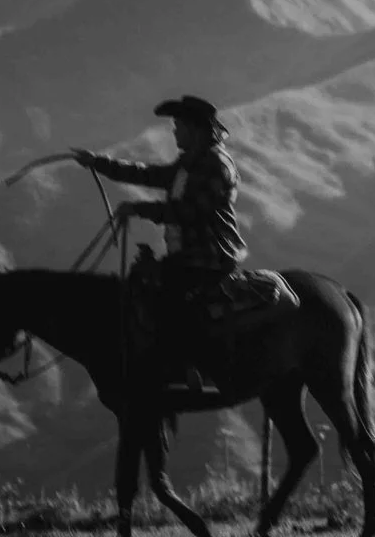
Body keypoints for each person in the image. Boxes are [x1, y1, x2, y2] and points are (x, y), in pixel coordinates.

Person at [74, 96, 246, 387]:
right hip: (190, 253)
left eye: (179, 126)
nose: (175, 131)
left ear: (195, 130)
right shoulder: (192, 163)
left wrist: (140, 209)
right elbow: (151, 175)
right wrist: (99, 163)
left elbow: (192, 212)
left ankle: (190, 367)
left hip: (209, 255)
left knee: (170, 297)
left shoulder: (213, 165)